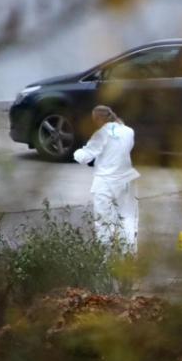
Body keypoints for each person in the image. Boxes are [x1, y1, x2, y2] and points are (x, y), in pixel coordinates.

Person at [73, 105, 140, 255]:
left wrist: (78, 151)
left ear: (97, 119)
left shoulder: (100, 135)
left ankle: (106, 257)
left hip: (105, 182)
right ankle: (129, 254)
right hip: (126, 180)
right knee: (128, 217)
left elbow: (85, 157)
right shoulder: (129, 131)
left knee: (103, 221)